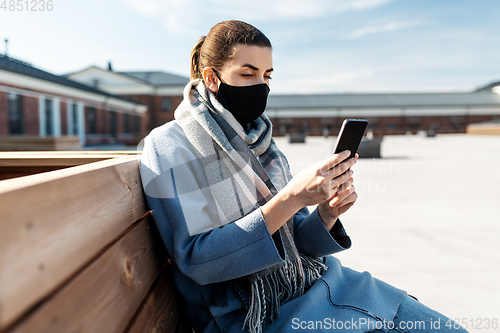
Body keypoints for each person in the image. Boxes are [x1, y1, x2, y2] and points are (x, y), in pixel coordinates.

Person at [139, 20, 468, 333]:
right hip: (251, 312)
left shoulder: (261, 143)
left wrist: (326, 213)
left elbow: (299, 242)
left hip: (314, 283)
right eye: (248, 73)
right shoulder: (170, 145)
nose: (261, 86)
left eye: (268, 75)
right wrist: (292, 197)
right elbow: (199, 261)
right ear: (212, 78)